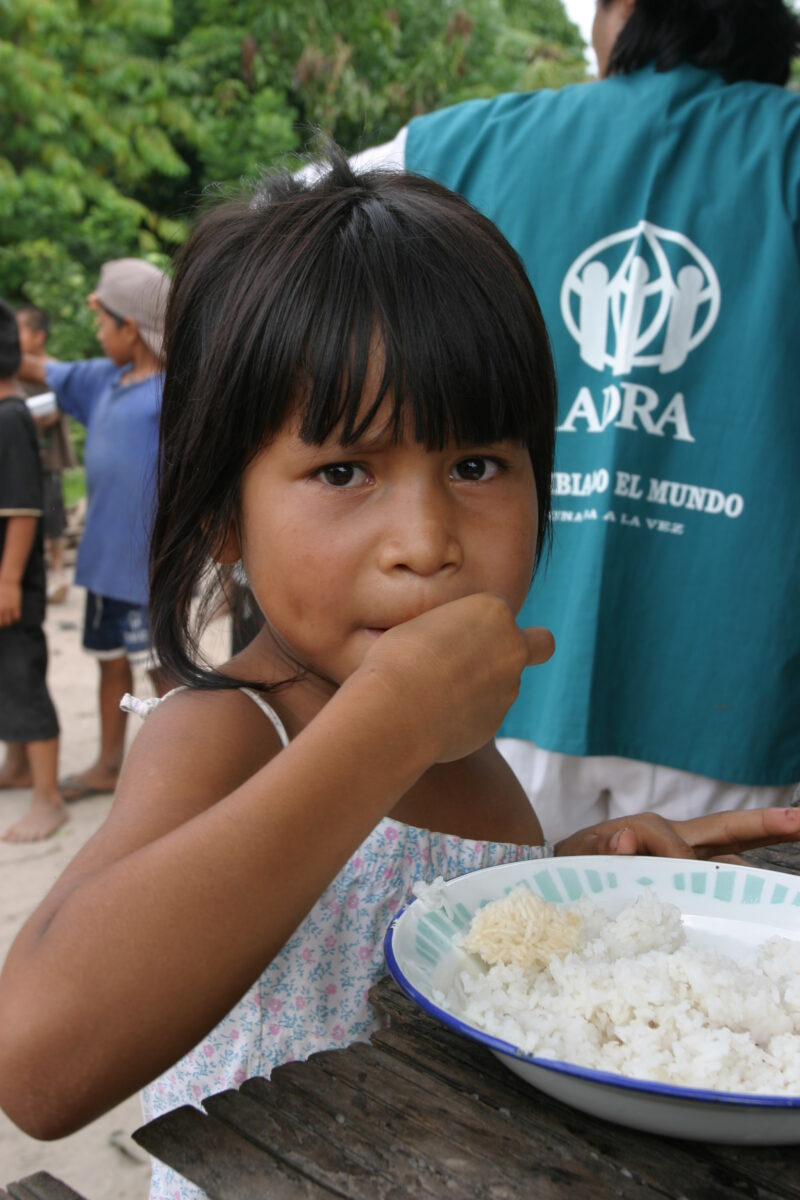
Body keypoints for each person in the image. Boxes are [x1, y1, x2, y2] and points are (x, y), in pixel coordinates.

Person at [0, 161, 798, 1198]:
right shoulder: (232, 728)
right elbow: (35, 1065)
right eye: (341, 472)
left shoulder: (462, 745)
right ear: (223, 519)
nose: (425, 542)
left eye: (476, 466)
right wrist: (387, 722)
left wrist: (575, 883)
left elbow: (407, 926)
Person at [337, 0, 800, 841]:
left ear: (624, 11)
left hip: (485, 677)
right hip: (736, 691)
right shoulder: (788, 147)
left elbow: (263, 242)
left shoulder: (452, 148)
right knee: (692, 958)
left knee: (487, 948)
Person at [16, 259, 172, 802]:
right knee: (110, 663)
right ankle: (110, 762)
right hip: (105, 565)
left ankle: (184, 770)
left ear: (131, 328)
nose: (97, 335)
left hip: (147, 570)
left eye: (103, 325)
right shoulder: (103, 380)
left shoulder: (172, 395)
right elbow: (38, 368)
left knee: (163, 673)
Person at [0, 301, 67, 842]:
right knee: (6, 678)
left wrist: (6, 580)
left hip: (12, 584)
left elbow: (22, 508)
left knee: (23, 677)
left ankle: (48, 799)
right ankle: (16, 765)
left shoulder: (11, 417)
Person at [15, 305, 77, 605]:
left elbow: (59, 407)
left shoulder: (52, 368)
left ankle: (57, 570)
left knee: (53, 512)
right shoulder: (13, 369)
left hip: (47, 453)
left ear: (39, 336)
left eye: (21, 330)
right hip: (22, 453)